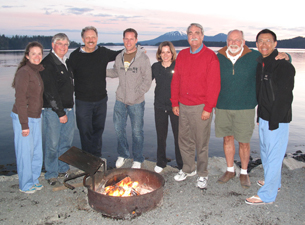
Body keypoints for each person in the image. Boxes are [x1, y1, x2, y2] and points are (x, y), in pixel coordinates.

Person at [215, 30, 290, 189]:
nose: (234, 43)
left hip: (245, 107)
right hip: (222, 106)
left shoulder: (254, 56)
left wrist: (287, 56)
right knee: (227, 139)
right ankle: (229, 170)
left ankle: (243, 172)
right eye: (230, 40)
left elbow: (271, 58)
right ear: (226, 41)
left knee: (244, 142)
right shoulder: (218, 57)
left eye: (237, 40)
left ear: (243, 42)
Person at [246, 29, 295, 205]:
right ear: (257, 44)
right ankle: (274, 182)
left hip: (277, 119)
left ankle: (267, 195)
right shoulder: (262, 63)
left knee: (274, 154)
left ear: (275, 44)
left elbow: (285, 97)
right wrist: (261, 116)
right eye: (260, 41)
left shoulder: (283, 66)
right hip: (265, 116)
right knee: (266, 152)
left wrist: (274, 120)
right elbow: (262, 94)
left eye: (268, 41)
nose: (264, 44)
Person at [171, 23, 221, 189]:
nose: (193, 36)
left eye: (197, 33)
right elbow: (176, 80)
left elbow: (214, 85)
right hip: (183, 106)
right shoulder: (183, 55)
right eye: (190, 33)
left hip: (201, 106)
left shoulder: (210, 57)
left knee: (201, 143)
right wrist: (174, 102)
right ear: (187, 36)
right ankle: (188, 169)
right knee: (184, 140)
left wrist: (208, 108)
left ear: (202, 36)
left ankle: (202, 174)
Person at [69, 26, 121, 157]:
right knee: (85, 132)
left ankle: (96, 159)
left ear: (97, 38)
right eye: (87, 37)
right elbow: (67, 77)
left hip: (101, 100)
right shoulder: (75, 56)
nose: (90, 40)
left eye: (93, 37)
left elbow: (119, 55)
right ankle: (87, 160)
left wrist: (136, 51)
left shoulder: (103, 52)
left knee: (98, 131)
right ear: (82, 39)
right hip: (83, 102)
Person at [107, 28, 152, 169]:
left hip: (137, 102)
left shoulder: (143, 58)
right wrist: (98, 70)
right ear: (123, 40)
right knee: (119, 129)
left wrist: (138, 93)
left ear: (136, 40)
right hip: (120, 99)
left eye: (131, 39)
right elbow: (116, 72)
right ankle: (123, 154)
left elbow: (148, 80)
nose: (128, 41)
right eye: (126, 38)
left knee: (137, 131)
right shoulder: (119, 56)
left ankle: (138, 158)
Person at [40, 33, 74, 186]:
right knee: (53, 144)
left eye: (66, 44)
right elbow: (50, 91)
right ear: (53, 45)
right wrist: (60, 113)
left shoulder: (64, 61)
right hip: (54, 112)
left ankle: (63, 169)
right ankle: (51, 174)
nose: (63, 47)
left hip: (69, 109)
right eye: (60, 43)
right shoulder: (48, 63)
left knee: (66, 142)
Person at [11, 42, 45, 194]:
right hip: (23, 118)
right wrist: (24, 124)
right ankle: (25, 184)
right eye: (34, 54)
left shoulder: (36, 71)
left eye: (39, 54)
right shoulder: (24, 72)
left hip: (36, 117)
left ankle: (34, 180)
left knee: (36, 151)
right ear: (27, 56)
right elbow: (20, 100)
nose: (37, 57)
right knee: (25, 152)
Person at [152, 41, 183, 173]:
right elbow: (144, 81)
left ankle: (182, 164)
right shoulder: (155, 67)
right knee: (161, 135)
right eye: (162, 52)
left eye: (168, 52)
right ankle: (161, 162)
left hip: (175, 106)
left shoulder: (178, 66)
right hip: (159, 105)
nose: (165, 55)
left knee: (179, 136)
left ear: (172, 53)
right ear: (159, 53)